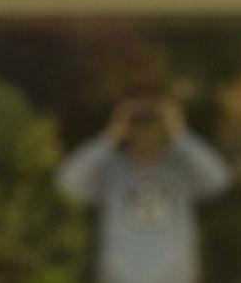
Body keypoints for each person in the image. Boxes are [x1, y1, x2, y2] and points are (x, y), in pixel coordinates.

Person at [58, 97, 230, 283]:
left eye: (153, 123)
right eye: (138, 123)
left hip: (174, 276)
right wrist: (109, 136)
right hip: (120, 277)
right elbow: (67, 181)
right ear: (127, 130)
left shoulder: (180, 168)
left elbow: (220, 179)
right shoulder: (111, 169)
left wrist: (180, 134)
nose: (146, 131)